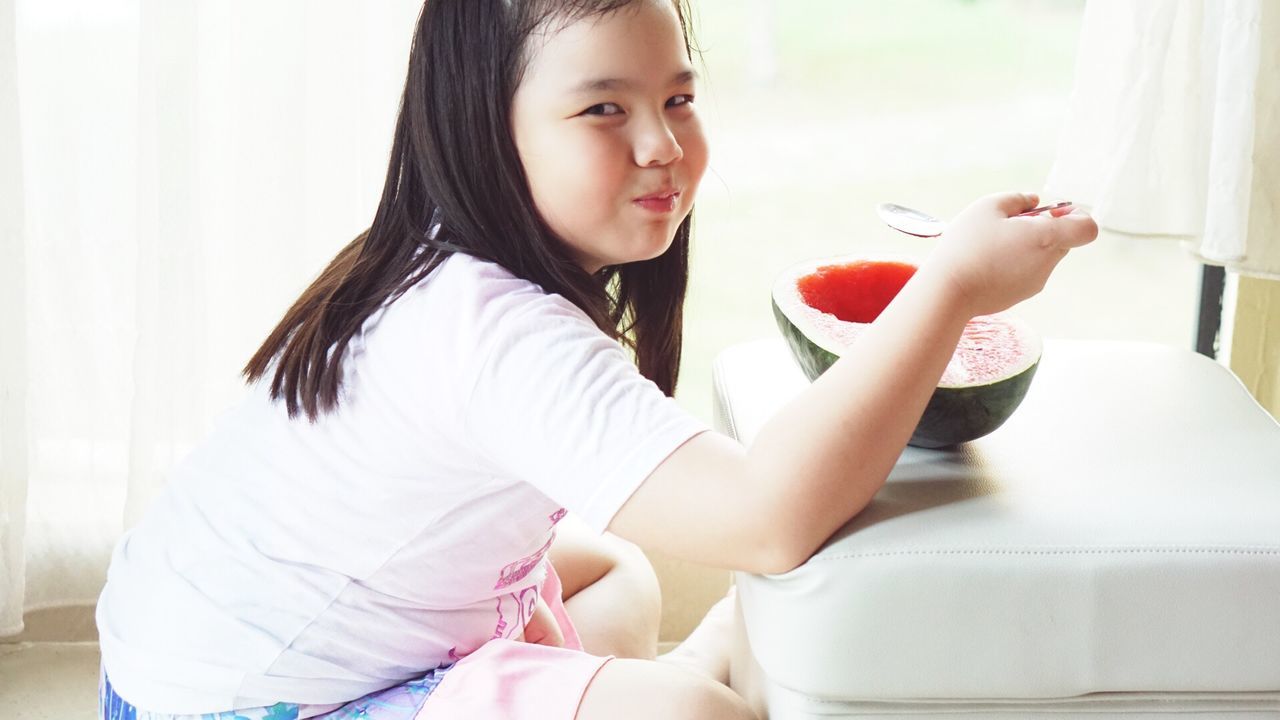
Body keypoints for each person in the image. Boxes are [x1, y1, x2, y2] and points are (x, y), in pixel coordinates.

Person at [94, 0, 1098, 718]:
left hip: (166, 664)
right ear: (488, 131)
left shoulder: (432, 254)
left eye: (678, 96)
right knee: (694, 715)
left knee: (617, 572)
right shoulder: (495, 335)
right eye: (603, 109)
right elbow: (768, 518)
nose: (661, 143)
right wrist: (950, 287)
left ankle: (684, 668)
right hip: (246, 703)